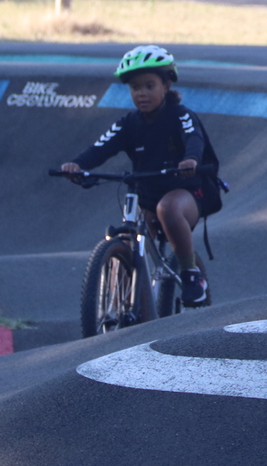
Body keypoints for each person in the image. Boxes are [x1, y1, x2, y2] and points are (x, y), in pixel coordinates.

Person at [59, 46, 221, 305]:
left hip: (188, 192)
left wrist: (190, 159)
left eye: (149, 86)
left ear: (166, 85)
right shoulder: (129, 123)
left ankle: (190, 273)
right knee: (129, 235)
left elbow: (194, 138)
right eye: (135, 88)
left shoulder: (180, 115)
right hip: (147, 194)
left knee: (167, 209)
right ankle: (126, 302)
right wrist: (78, 165)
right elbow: (101, 147)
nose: (141, 93)